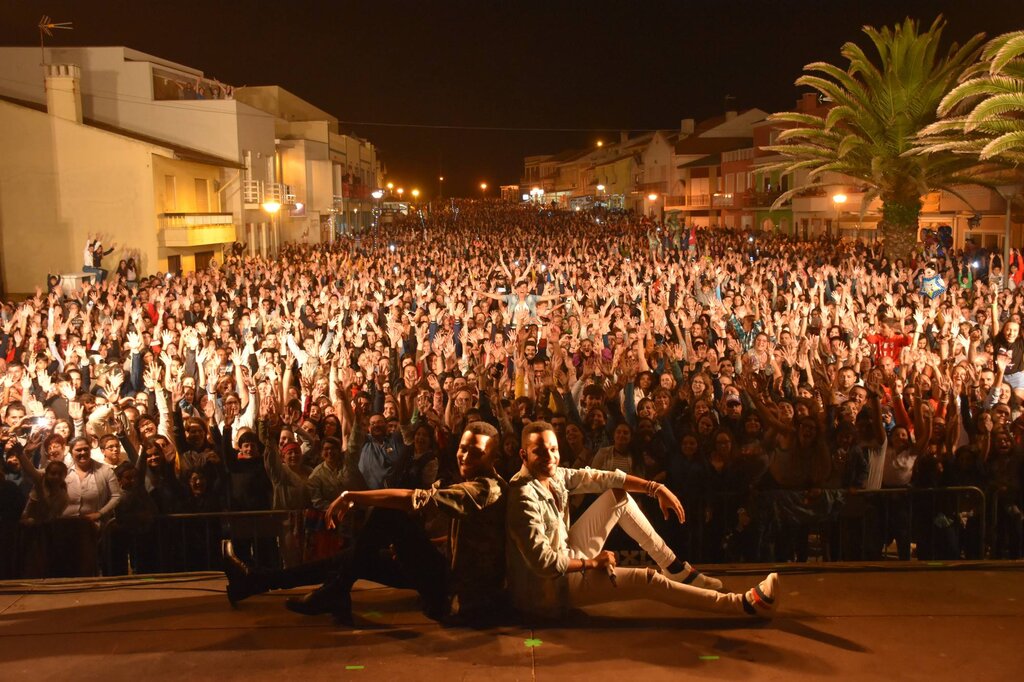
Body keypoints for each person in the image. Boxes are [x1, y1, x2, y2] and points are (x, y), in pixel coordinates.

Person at [223, 422, 508, 624]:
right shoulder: (472, 483)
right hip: (446, 573)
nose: (465, 455)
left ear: (494, 457)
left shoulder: (487, 488)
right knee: (353, 559)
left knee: (389, 514)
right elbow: (474, 541)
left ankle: (333, 591)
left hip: (455, 592)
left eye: (477, 452)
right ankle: (255, 582)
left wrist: (354, 497)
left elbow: (416, 499)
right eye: (463, 448)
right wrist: (429, 544)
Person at [506, 421, 779, 620]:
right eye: (540, 451)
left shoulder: (555, 475)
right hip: (550, 589)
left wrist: (655, 488)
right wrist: (593, 562)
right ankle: (742, 604)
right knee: (646, 580)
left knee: (618, 496)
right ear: (523, 455)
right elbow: (544, 563)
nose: (550, 457)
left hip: (566, 555)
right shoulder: (523, 495)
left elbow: (605, 477)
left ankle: (675, 568)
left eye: (553, 449)